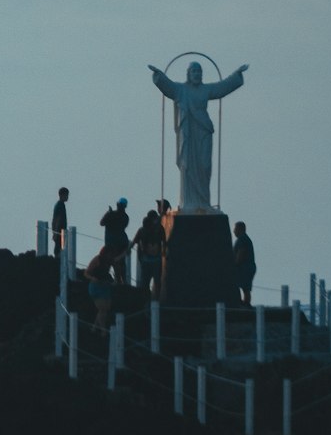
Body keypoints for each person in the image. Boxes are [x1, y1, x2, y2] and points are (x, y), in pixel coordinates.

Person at [149, 61, 249, 211]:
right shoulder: (181, 90)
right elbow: (167, 86)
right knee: (187, 166)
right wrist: (158, 75)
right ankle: (188, 203)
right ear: (188, 74)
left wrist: (237, 75)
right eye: (194, 72)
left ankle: (203, 203)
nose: (197, 75)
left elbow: (222, 88)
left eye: (199, 72)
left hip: (203, 131)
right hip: (188, 134)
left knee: (205, 166)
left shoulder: (205, 90)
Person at [84, 244, 123, 334]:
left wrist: (117, 281)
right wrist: (92, 278)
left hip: (105, 285)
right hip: (96, 286)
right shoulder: (97, 259)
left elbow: (117, 272)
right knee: (102, 309)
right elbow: (86, 273)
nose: (110, 256)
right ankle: (103, 330)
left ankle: (94, 328)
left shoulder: (111, 261)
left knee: (106, 307)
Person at [131, 209, 164, 299]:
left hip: (154, 259)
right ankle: (146, 301)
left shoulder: (159, 229)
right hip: (148, 259)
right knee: (146, 283)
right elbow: (134, 241)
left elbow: (164, 242)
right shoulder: (144, 230)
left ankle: (153, 301)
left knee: (154, 283)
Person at [100, 198, 130, 284]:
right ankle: (123, 282)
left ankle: (117, 282)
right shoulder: (125, 217)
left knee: (110, 262)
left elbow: (102, 223)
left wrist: (108, 213)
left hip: (111, 244)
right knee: (121, 263)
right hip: (122, 242)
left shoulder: (111, 214)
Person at [233, 221, 256, 306]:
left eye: (235, 229)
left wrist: (235, 264)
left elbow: (241, 253)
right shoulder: (244, 239)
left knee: (245, 287)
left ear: (240, 229)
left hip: (245, 268)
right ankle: (245, 303)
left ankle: (246, 303)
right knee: (244, 287)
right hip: (247, 267)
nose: (234, 231)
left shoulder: (242, 239)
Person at [51, 187, 69, 257]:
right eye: (66, 195)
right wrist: (56, 232)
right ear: (62, 195)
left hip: (58, 231)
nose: (67, 197)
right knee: (59, 249)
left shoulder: (59, 205)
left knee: (59, 249)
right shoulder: (60, 205)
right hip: (59, 231)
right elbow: (58, 219)